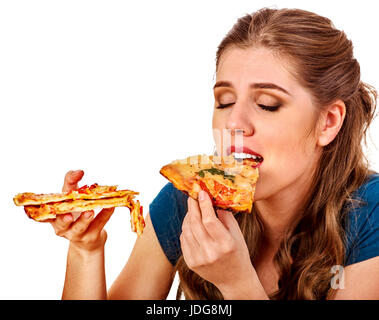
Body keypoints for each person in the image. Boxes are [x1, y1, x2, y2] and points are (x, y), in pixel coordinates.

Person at [50, 8, 379, 300]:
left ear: (328, 122)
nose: (234, 123)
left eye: (267, 104)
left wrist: (237, 284)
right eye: (224, 102)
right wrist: (86, 250)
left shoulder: (371, 214)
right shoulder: (187, 202)